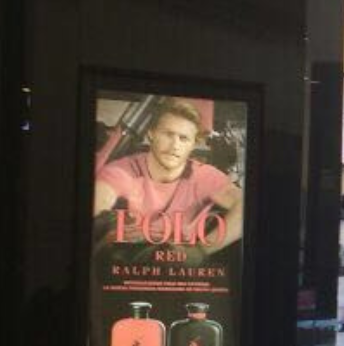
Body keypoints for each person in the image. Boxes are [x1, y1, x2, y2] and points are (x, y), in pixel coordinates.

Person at [95, 98, 244, 255]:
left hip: (179, 262)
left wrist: (201, 250)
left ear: (193, 144)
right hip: (128, 257)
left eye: (183, 138)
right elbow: (100, 198)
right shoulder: (124, 170)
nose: (175, 146)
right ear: (151, 134)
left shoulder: (204, 175)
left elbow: (245, 206)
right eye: (168, 134)